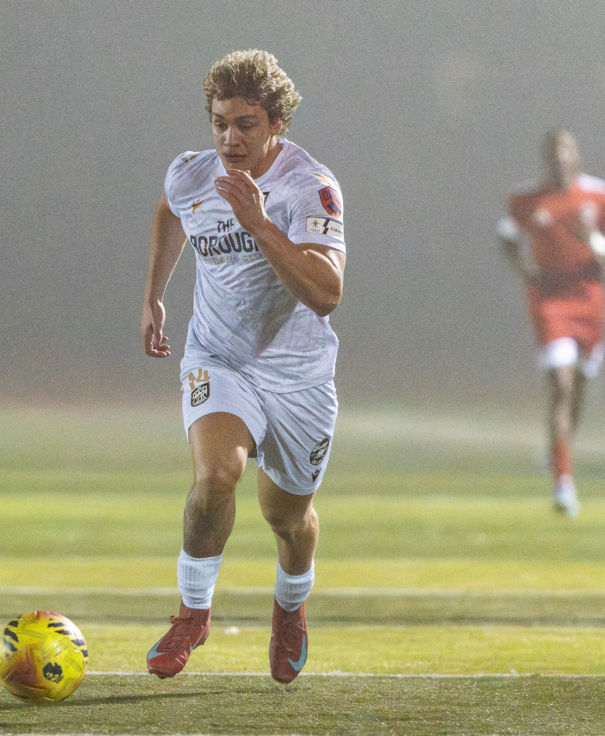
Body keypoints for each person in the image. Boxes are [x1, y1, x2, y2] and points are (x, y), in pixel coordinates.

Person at [141, 50, 345, 683]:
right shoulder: (192, 173)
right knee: (216, 475)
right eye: (220, 122)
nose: (230, 138)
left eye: (247, 124)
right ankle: (192, 613)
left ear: (277, 123)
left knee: (288, 518)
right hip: (219, 357)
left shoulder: (310, 187)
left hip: (298, 376)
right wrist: (154, 296)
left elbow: (326, 293)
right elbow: (170, 211)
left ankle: (290, 608)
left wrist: (258, 223)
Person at [498, 130, 605, 518]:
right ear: (546, 158)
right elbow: (507, 238)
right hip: (549, 299)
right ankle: (563, 484)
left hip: (589, 299)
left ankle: (560, 449)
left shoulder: (599, 195)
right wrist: (524, 267)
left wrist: (599, 244)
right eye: (554, 151)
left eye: (567, 150)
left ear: (577, 156)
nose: (561, 157)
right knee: (561, 383)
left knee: (581, 385)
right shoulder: (526, 199)